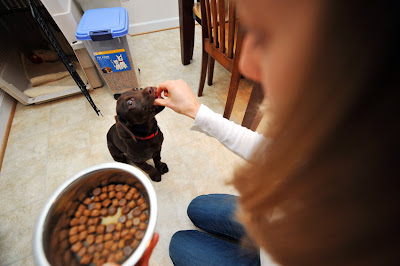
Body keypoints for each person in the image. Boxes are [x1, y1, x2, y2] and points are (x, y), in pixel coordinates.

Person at [151, 0, 400, 265]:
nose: (245, 63)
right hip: (273, 222)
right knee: (197, 207)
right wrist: (197, 111)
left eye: (266, 35)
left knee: (180, 244)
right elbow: (273, 154)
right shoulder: (338, 132)